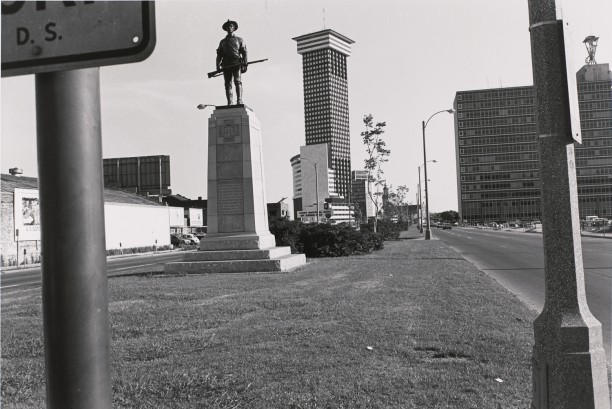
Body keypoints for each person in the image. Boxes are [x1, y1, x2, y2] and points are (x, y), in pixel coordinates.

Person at [216, 20, 247, 105]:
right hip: (226, 64)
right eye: (228, 26)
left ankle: (239, 100)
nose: (229, 28)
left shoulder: (239, 39)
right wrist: (217, 66)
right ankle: (230, 102)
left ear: (234, 28)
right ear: (226, 29)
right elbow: (219, 55)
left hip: (236, 62)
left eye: (231, 26)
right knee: (227, 84)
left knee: (237, 81)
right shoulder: (222, 42)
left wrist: (245, 63)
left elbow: (244, 52)